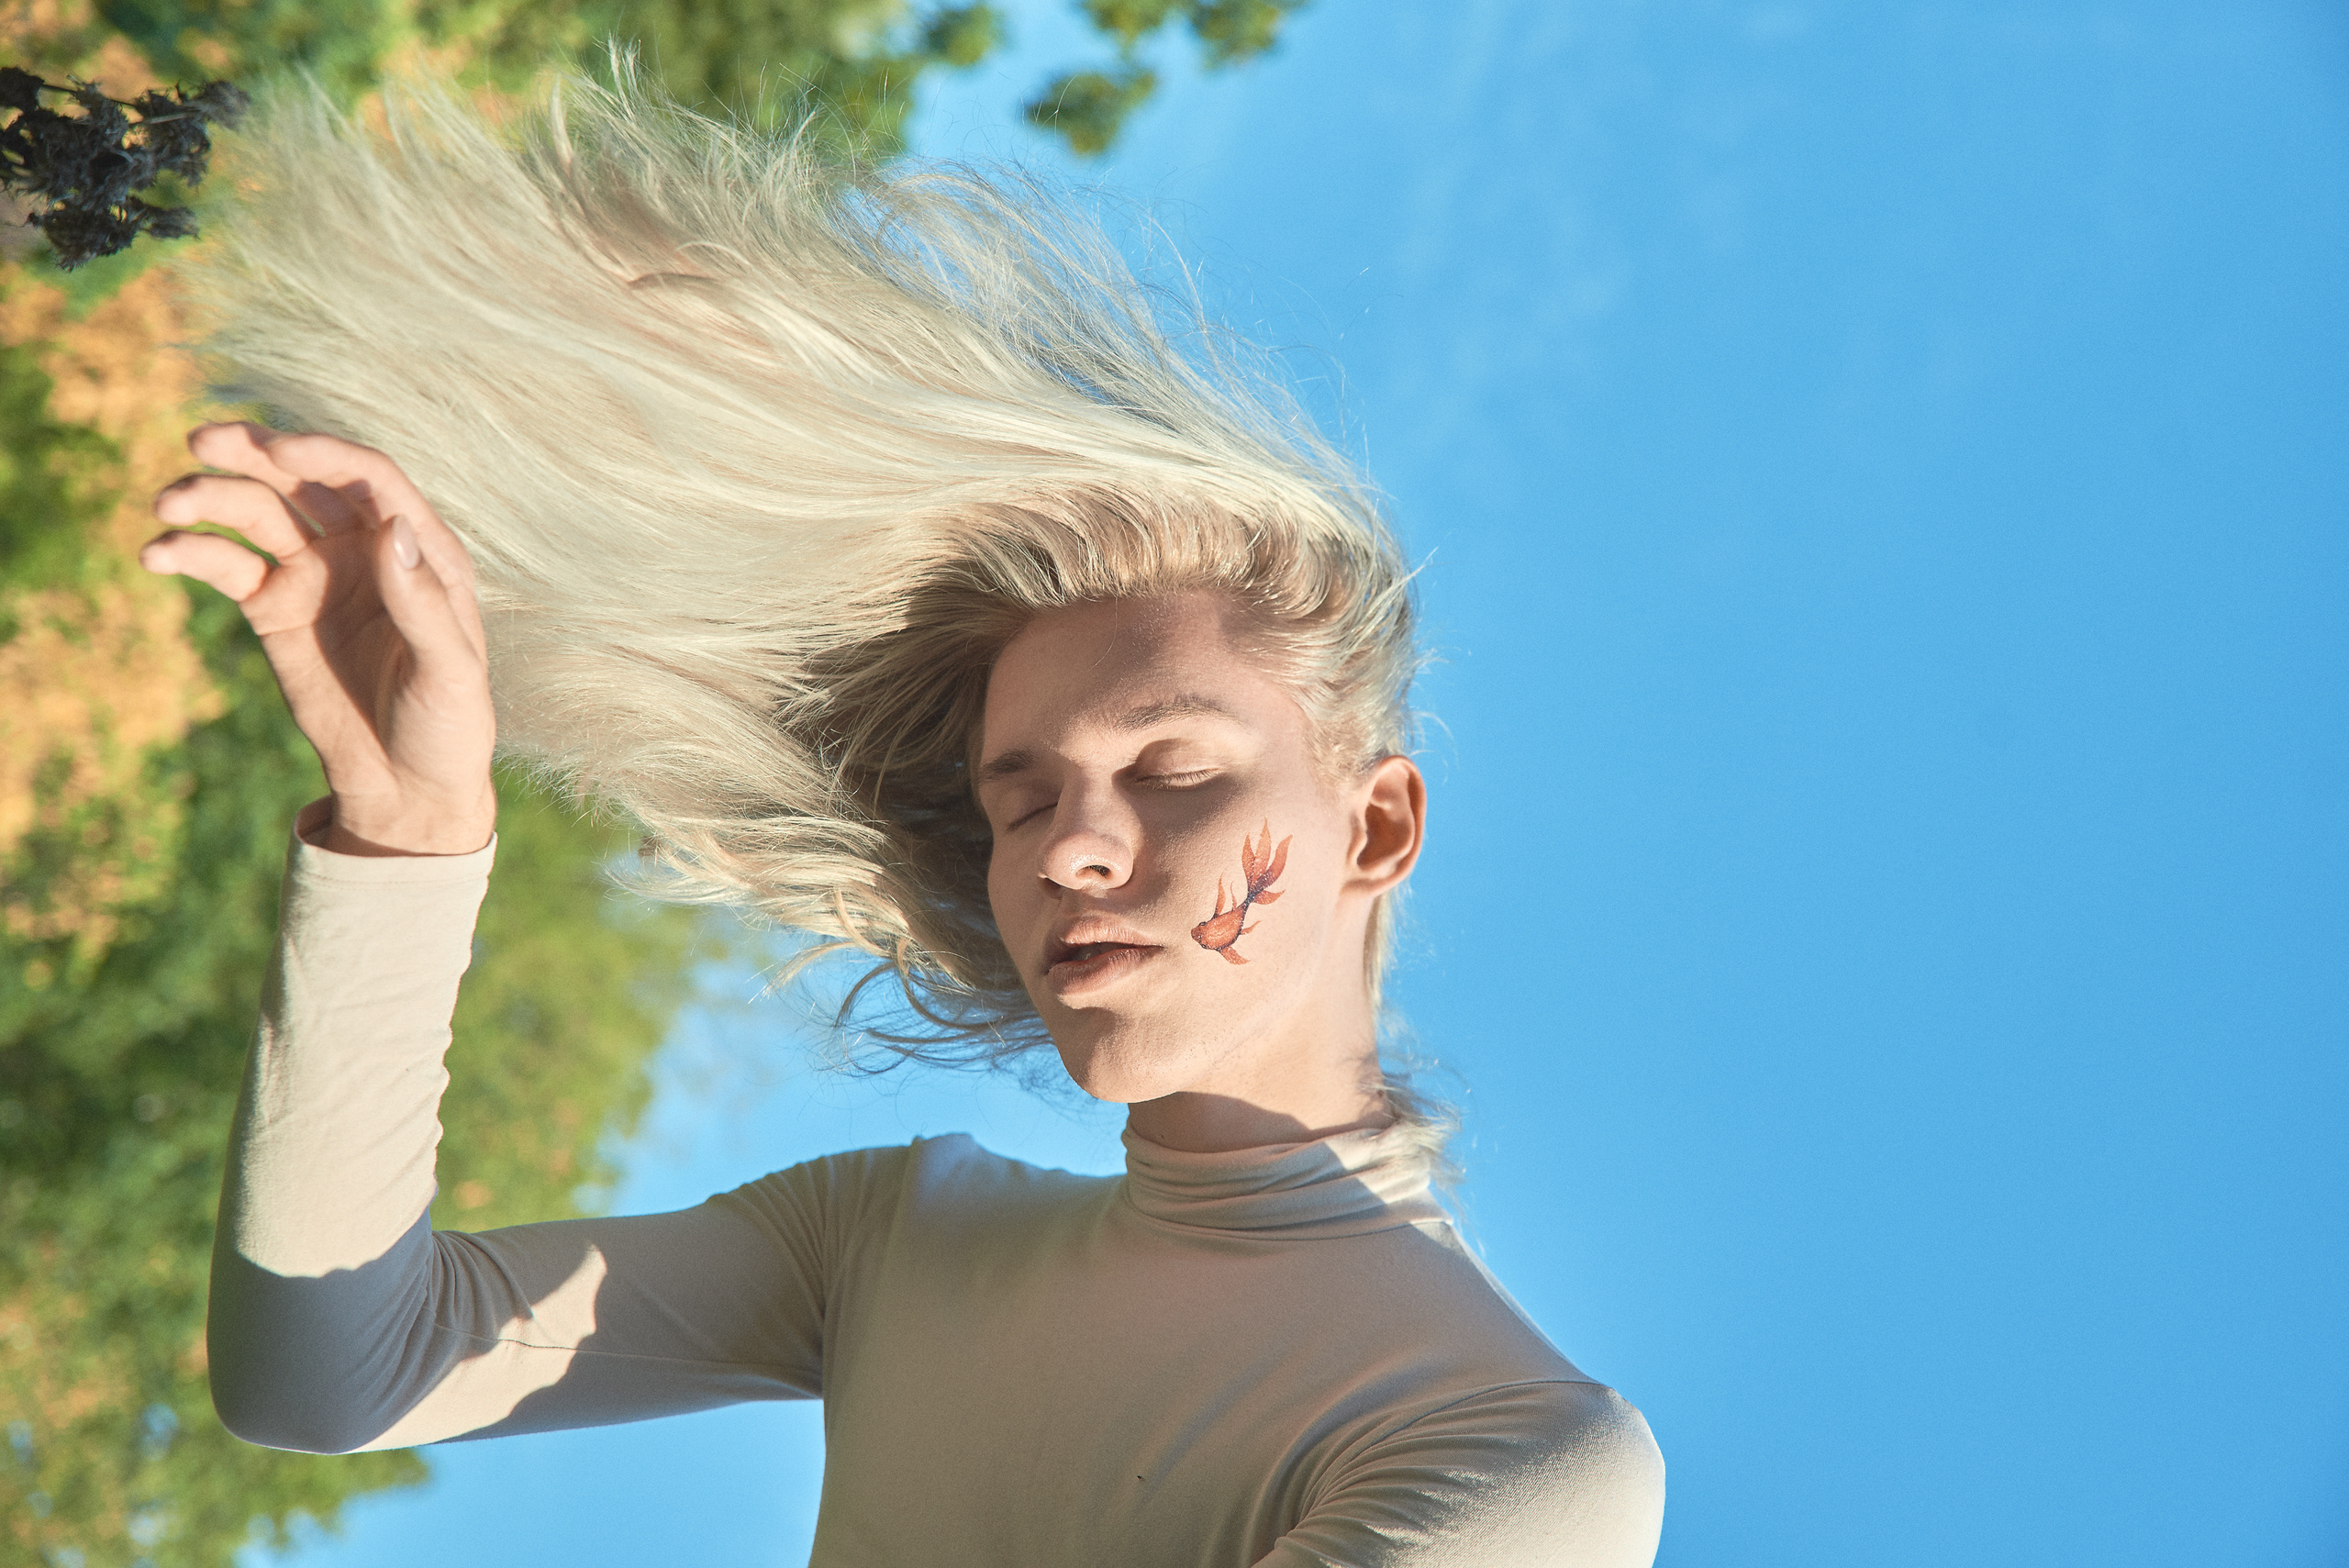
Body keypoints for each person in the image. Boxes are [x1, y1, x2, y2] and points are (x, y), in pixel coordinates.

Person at [140, 70, 1665, 1566]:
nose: (1067, 846)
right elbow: (331, 1365)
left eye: (1172, 768)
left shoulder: (1511, 1448)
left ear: (1378, 825)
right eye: (1022, 799)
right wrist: (406, 831)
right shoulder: (890, 1237)